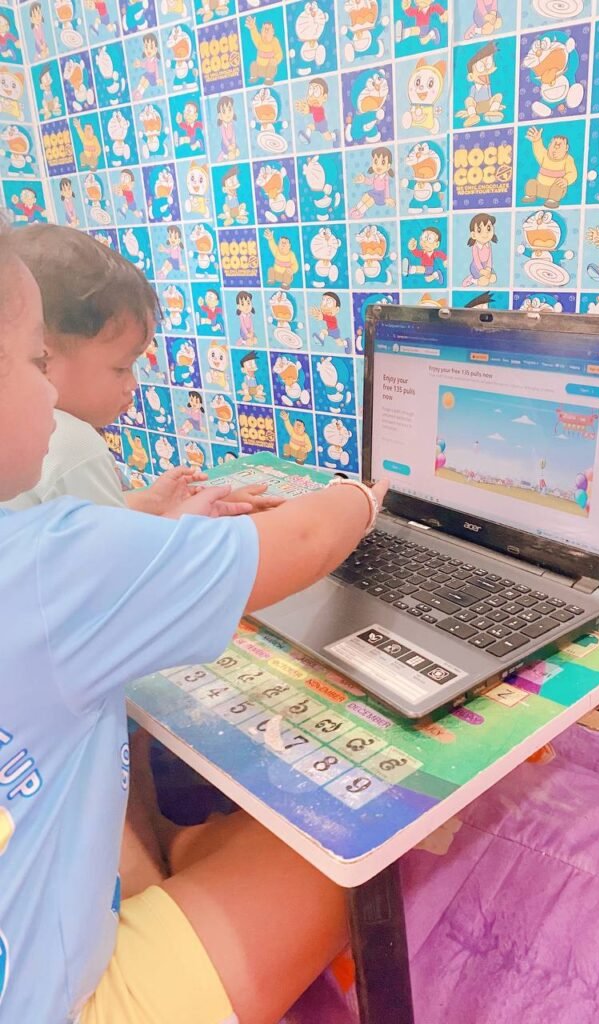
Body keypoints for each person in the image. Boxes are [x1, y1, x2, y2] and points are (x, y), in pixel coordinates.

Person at [0, 217, 389, 1023]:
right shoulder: (49, 558)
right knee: (365, 858)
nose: (48, 390)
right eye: (36, 361)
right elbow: (308, 537)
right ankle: (194, 859)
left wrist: (147, 525)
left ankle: (184, 858)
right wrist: (370, 495)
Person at [1, 226, 267, 518]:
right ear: (45, 358)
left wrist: (153, 502)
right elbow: (118, 559)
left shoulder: (24, 438)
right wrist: (184, 521)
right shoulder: (75, 446)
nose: (132, 385)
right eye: (120, 368)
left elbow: (65, 527)